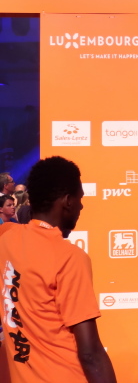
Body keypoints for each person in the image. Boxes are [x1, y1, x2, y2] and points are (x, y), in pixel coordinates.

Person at [0, 156, 116, 383]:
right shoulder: (69, 257)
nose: (82, 206)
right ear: (68, 201)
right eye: (80, 198)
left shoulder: (6, 238)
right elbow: (90, 354)